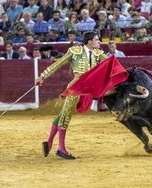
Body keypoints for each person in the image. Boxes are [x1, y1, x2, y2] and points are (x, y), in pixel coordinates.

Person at [35, 31, 107, 160]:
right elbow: (58, 63)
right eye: (97, 39)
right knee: (66, 115)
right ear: (90, 41)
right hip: (76, 87)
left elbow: (110, 65)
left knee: (64, 113)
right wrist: (43, 76)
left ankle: (49, 141)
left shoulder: (98, 53)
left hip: (87, 89)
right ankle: (61, 149)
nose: (99, 42)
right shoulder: (75, 51)